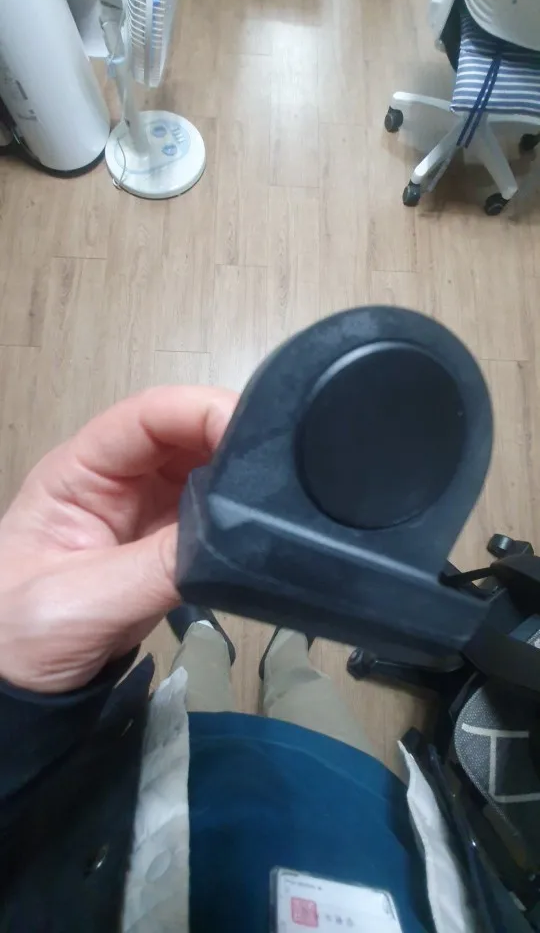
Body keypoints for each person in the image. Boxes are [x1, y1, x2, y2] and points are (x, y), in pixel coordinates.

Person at [0, 386, 434, 933]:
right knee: (304, 686)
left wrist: (16, 700)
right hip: (356, 811)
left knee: (197, 677)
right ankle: (287, 646)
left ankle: (210, 634)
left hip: (178, 792)